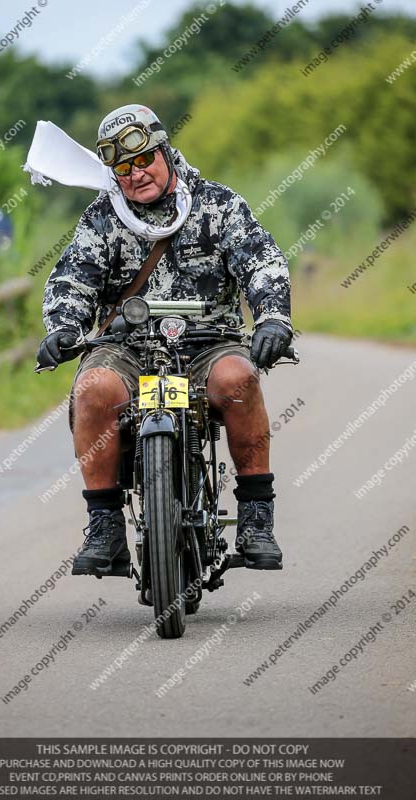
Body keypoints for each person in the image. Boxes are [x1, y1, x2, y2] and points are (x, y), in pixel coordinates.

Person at [35, 104, 293, 575]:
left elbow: (262, 260)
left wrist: (273, 317)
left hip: (210, 341)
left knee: (240, 380)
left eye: (144, 160)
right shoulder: (101, 219)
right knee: (92, 389)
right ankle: (105, 525)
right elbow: (73, 280)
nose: (135, 175)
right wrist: (63, 328)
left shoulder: (218, 204)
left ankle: (257, 518)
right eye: (122, 168)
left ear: (165, 151)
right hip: (126, 348)